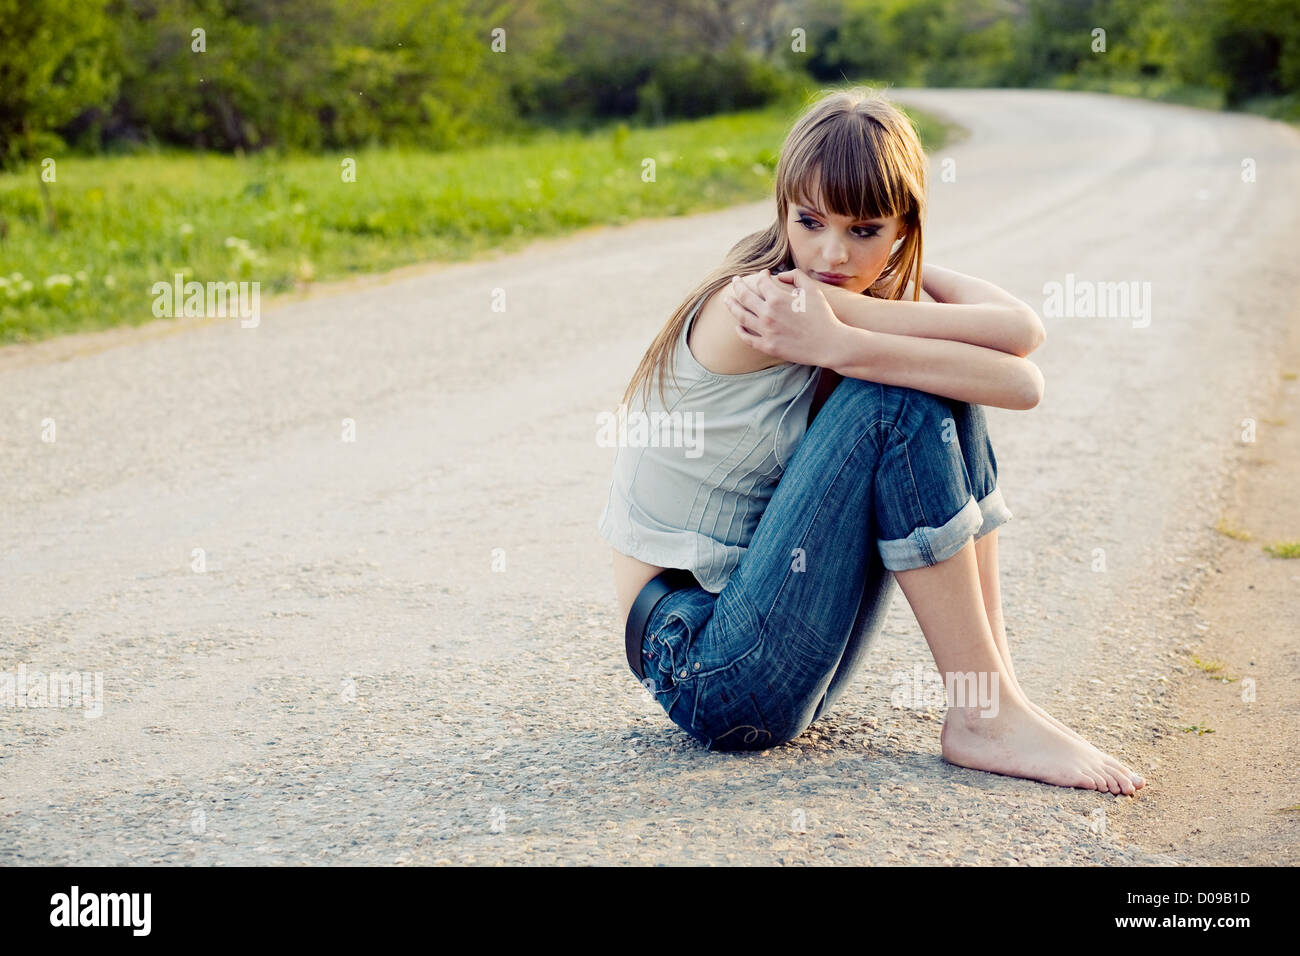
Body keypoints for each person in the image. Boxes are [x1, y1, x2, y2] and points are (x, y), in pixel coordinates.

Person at [597, 86, 1144, 794]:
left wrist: (881, 294)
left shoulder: (846, 299)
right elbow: (1020, 369)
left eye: (864, 229)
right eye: (810, 220)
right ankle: (986, 715)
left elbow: (1019, 353)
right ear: (783, 209)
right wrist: (849, 332)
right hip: (707, 669)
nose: (830, 252)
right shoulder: (764, 305)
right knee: (891, 395)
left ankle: (993, 699)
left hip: (772, 659)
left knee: (931, 384)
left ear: (902, 229)